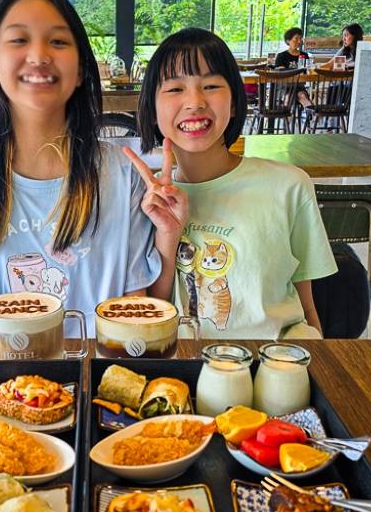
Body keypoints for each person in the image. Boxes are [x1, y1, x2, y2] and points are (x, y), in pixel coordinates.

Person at [0, 0, 163, 337]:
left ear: (81, 69)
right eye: (19, 40)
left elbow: (133, 311)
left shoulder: (123, 174)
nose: (38, 55)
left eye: (58, 41)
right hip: (8, 371)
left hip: (105, 367)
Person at [126, 27, 337, 340]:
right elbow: (153, 317)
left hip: (274, 362)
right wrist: (168, 233)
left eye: (211, 86)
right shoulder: (145, 201)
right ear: (152, 110)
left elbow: (306, 307)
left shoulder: (289, 186)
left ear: (235, 101)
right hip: (186, 363)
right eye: (175, 89)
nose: (195, 102)